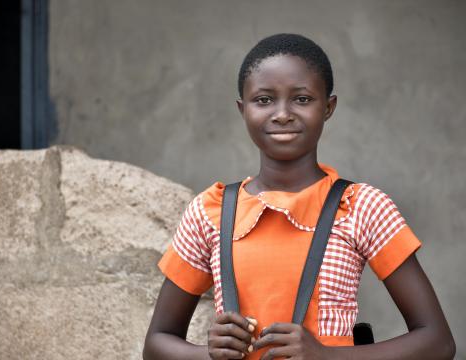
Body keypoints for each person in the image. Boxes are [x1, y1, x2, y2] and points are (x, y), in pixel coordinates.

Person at [143, 34, 455, 359]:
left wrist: (328, 356)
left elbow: (438, 342)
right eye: (263, 100)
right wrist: (207, 354)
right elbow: (156, 344)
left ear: (328, 107)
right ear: (242, 109)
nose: (282, 114)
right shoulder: (212, 212)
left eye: (302, 99)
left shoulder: (361, 207)